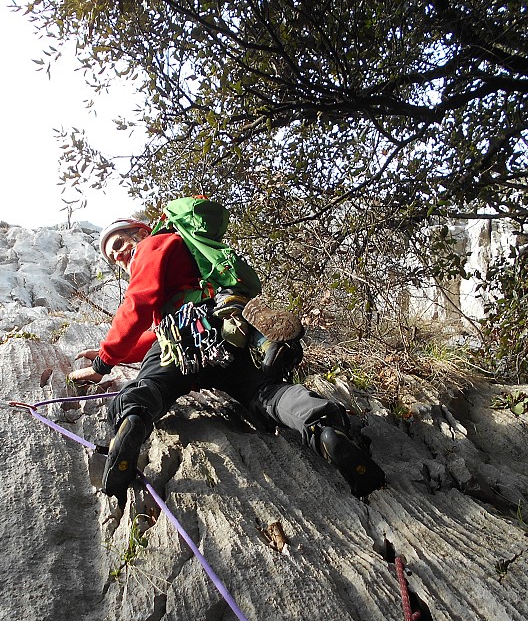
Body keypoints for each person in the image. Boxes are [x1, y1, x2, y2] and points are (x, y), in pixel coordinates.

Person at [70, 213, 385, 509]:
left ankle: (134, 419)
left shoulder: (152, 244)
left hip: (179, 340)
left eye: (120, 246)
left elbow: (138, 306)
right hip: (221, 333)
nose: (121, 257)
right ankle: (323, 428)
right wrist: (107, 353)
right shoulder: (182, 262)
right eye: (114, 258)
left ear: (139, 231)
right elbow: (147, 338)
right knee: (263, 392)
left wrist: (102, 365)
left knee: (153, 385)